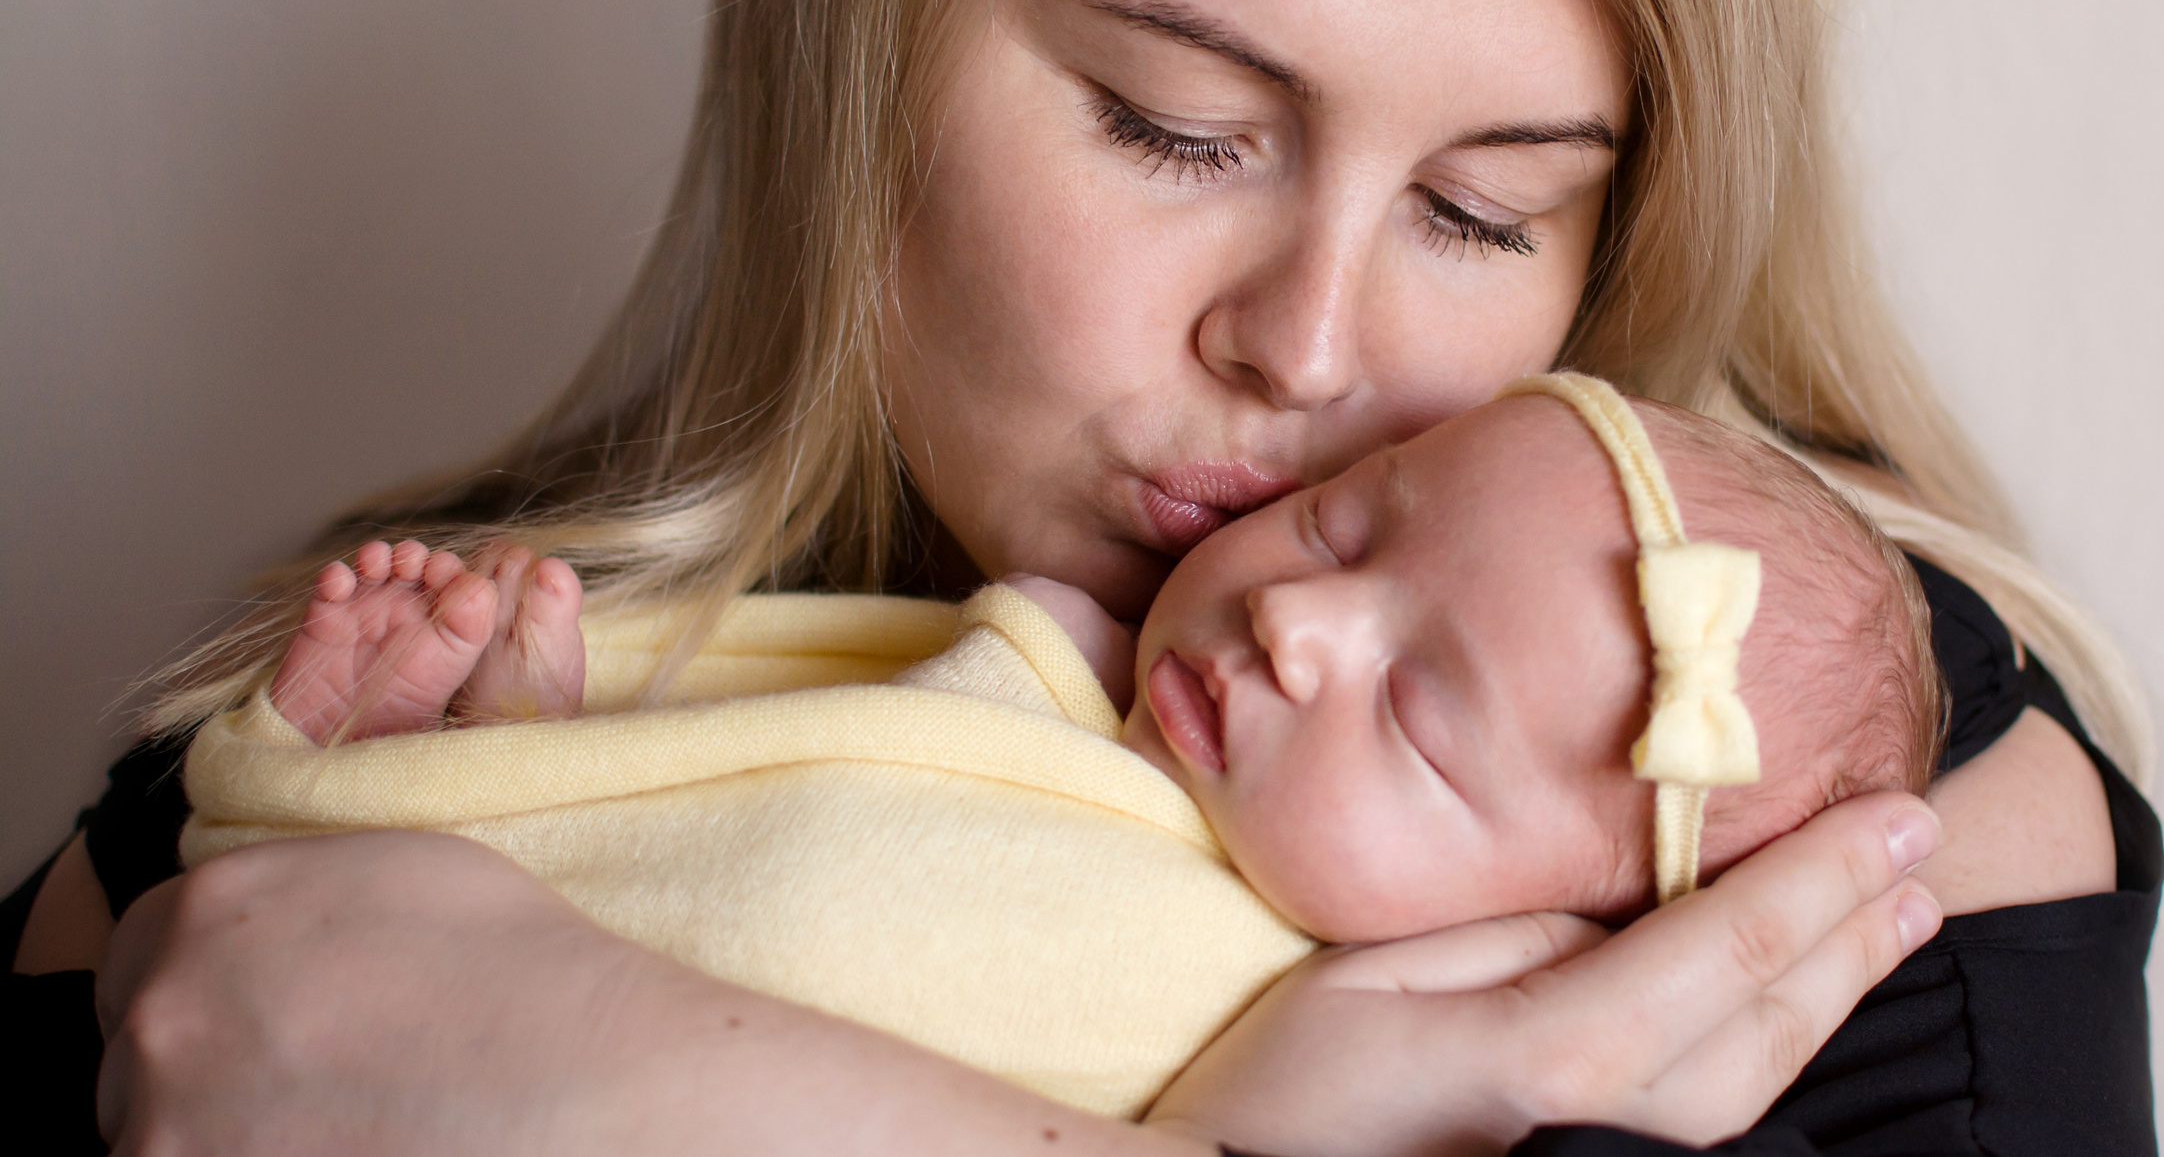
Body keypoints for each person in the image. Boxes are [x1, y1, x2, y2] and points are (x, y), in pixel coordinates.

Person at [4, 0, 2162, 1152]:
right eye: (1171, 126)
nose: (1308, 350)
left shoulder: (1810, 785)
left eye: (1484, 211)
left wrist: (687, 1100)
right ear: (851, 39)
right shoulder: (352, 729)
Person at [183, 381, 1946, 1118]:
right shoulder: (1037, 681)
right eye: (1339, 526)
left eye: (1418, 718)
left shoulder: (1341, 1029)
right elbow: (759, 828)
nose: (1297, 622)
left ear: (1556, 946)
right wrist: (561, 769)